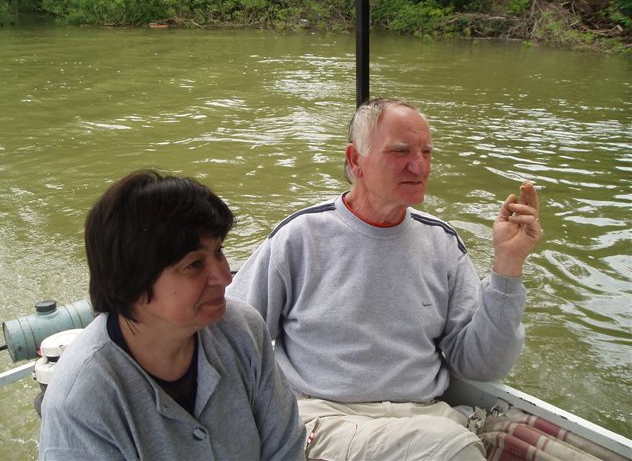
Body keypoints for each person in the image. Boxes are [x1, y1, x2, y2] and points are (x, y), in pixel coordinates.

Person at [227, 98, 543, 460]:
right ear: (355, 159)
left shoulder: (441, 243)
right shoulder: (300, 237)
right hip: (325, 419)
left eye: (426, 152)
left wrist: (507, 266)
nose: (419, 165)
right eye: (400, 151)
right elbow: (234, 338)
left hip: (426, 417)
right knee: (454, 450)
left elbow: (481, 366)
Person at [39, 170, 305, 461]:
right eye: (194, 265)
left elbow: (285, 449)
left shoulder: (243, 331)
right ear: (133, 282)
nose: (224, 276)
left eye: (218, 251)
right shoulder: (83, 400)